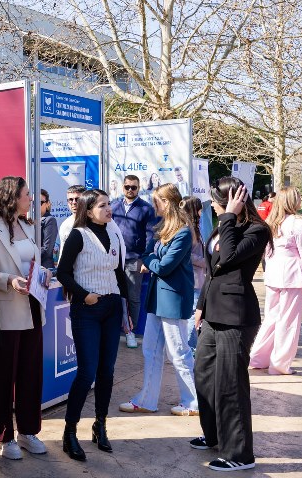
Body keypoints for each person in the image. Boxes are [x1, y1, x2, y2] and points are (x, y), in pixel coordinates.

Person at [189, 177, 270, 472]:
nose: (212, 204)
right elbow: (212, 272)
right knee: (204, 375)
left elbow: (229, 257)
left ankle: (239, 454)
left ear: (233, 200)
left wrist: (229, 217)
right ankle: (214, 435)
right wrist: (201, 305)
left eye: (216, 199)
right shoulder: (223, 225)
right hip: (212, 313)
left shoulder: (257, 230)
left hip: (236, 317)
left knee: (230, 384)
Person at [55, 188, 127, 461]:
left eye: (109, 204)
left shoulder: (113, 233)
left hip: (111, 307)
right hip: (87, 310)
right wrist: (84, 294)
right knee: (87, 373)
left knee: (107, 371)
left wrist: (126, 308)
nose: (109, 209)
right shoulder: (78, 235)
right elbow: (62, 272)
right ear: (88, 210)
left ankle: (100, 424)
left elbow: (119, 272)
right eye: (102, 206)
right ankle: (70, 432)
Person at [0, 176, 47, 460]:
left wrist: (43, 275)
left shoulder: (29, 226)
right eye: (26, 194)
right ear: (11, 197)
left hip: (33, 307)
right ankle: (3, 436)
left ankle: (28, 431)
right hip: (7, 311)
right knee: (3, 375)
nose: (31, 198)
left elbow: (34, 263)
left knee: (31, 373)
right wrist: (9, 280)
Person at [120, 183, 198, 417]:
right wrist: (152, 260)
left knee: (178, 352)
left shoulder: (183, 232)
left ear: (166, 202)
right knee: (151, 350)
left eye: (156, 202)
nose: (153, 206)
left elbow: (164, 266)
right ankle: (147, 400)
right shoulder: (165, 228)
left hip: (172, 299)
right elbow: (149, 256)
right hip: (158, 298)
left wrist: (151, 262)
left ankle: (193, 402)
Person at [249, 187, 302, 375]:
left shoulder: (270, 222)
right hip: (292, 275)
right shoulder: (298, 223)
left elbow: (266, 252)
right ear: (293, 201)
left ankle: (258, 358)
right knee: (289, 322)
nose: (301, 200)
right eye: (298, 197)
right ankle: (280, 364)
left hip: (273, 273)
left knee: (271, 319)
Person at [111, 174, 158, 349]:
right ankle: (114, 330)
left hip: (134, 258)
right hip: (114, 259)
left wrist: (145, 259)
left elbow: (150, 236)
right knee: (113, 295)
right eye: (127, 187)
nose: (130, 190)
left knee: (133, 297)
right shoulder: (114, 206)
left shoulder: (146, 209)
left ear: (139, 188)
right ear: (123, 187)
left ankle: (131, 332)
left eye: (134, 187)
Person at [180, 196, 207, 350]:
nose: (201, 212)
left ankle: (191, 348)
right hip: (193, 278)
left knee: (193, 315)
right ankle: (189, 348)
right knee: (193, 315)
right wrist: (205, 262)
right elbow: (186, 254)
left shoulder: (193, 227)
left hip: (197, 278)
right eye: (199, 208)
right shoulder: (187, 229)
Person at [58, 184, 87, 249]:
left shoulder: (98, 220)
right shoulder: (65, 225)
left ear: (86, 200)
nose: (74, 202)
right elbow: (63, 251)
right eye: (71, 199)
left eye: (77, 199)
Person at [39, 189, 59, 268]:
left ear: (47, 204)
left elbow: (47, 249)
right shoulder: (28, 220)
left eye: (39, 203)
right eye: (32, 202)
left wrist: (30, 257)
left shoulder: (50, 220)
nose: (35, 205)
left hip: (44, 267)